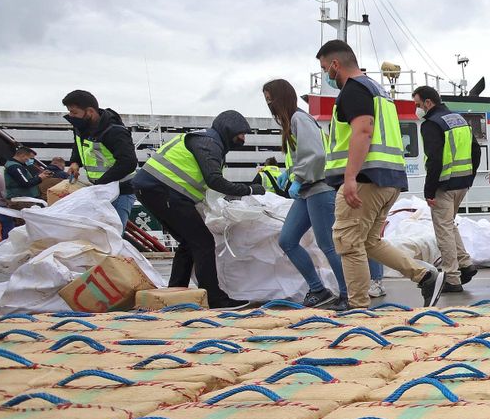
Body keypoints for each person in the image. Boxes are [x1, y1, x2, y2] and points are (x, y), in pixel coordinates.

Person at [315, 39, 444, 309]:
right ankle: (424, 276)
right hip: (388, 179)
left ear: (336, 65)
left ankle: (358, 308)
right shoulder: (378, 91)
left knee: (348, 242)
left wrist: (349, 179)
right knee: (370, 241)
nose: (327, 74)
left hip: (365, 180)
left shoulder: (353, 90)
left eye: (326, 68)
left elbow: (363, 129)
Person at [130, 111, 260, 308]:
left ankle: (175, 293)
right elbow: (214, 180)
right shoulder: (209, 143)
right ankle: (214, 297)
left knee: (189, 242)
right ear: (228, 129)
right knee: (203, 241)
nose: (242, 138)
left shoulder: (206, 141)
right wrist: (249, 189)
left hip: (155, 189)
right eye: (241, 133)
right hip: (163, 190)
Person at [262, 79, 346, 309]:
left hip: (319, 188)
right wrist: (290, 172)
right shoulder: (293, 121)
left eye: (270, 98)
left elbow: (316, 155)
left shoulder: (300, 119)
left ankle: (348, 294)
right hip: (307, 190)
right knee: (287, 240)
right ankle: (318, 289)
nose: (268, 103)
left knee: (328, 244)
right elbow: (306, 155)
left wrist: (297, 178)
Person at [414, 86, 481, 293]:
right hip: (462, 183)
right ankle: (465, 264)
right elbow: (476, 151)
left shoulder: (431, 124)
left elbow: (434, 160)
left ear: (428, 103)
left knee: (443, 230)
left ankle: (452, 278)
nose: (417, 109)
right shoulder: (459, 119)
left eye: (418, 104)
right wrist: (469, 176)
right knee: (449, 224)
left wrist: (429, 191)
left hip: (444, 185)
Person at [60, 90, 139, 227]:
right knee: (96, 232)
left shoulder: (114, 131)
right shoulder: (81, 127)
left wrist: (101, 184)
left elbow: (128, 162)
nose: (70, 116)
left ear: (90, 111)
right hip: (100, 190)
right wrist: (75, 162)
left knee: (112, 233)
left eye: (74, 112)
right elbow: (78, 145)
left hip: (121, 190)